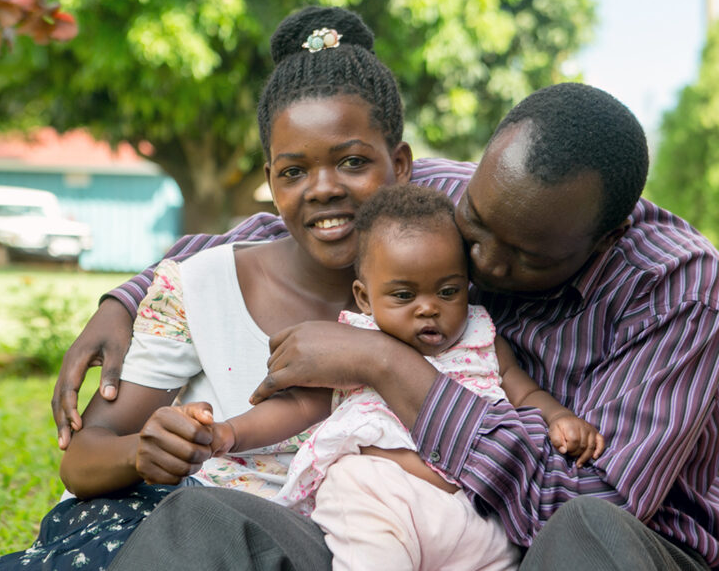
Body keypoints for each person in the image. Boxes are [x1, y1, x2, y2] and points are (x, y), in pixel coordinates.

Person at [60, 82, 719, 570]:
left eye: (526, 256)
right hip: (387, 536)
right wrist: (129, 297)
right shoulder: (452, 195)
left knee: (588, 533)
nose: (482, 261)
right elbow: (292, 226)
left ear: (605, 241)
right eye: (477, 226)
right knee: (208, 520)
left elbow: (581, 498)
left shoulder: (680, 288)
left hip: (569, 549)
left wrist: (384, 362)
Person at [0, 5, 414, 571]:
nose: (323, 189)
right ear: (269, 181)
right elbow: (84, 458)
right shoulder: (203, 287)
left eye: (354, 162)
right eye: (293, 172)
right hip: (180, 536)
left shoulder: (438, 298)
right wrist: (144, 452)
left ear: (402, 166)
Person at [203, 183, 603, 570]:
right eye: (403, 296)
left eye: (447, 292)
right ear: (364, 297)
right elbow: (300, 406)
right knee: (362, 518)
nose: (428, 309)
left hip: (477, 509)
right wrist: (230, 433)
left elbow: (525, 390)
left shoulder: (483, 339)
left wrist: (559, 418)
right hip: (377, 493)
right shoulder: (353, 346)